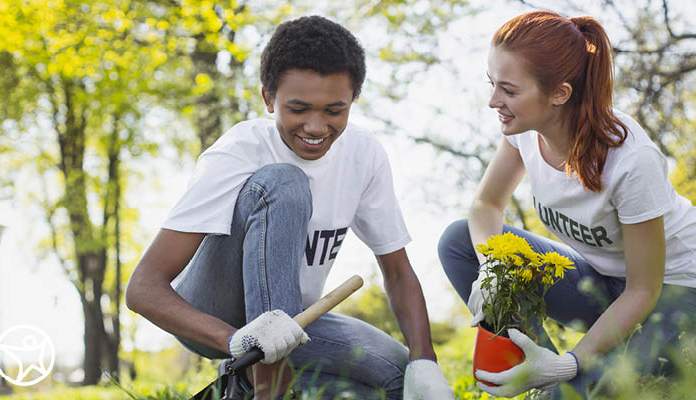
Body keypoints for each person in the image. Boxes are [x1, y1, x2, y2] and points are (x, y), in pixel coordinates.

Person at [125, 15, 453, 400]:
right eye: (299, 109)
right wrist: (238, 341)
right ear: (268, 98)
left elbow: (396, 272)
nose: (316, 127)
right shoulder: (239, 151)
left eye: (334, 111)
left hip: (296, 320)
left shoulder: (363, 155)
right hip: (218, 317)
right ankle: (268, 388)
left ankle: (244, 388)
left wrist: (425, 360)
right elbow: (143, 289)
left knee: (400, 379)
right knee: (283, 182)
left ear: (352, 101)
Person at [437, 10, 696, 399]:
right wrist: (489, 262)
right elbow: (486, 206)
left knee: (582, 393)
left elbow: (643, 289)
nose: (494, 100)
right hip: (606, 284)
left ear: (559, 93)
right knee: (460, 241)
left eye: (508, 90)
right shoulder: (523, 132)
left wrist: (572, 364)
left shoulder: (630, 160)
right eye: (492, 84)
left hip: (686, 290)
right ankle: (542, 372)